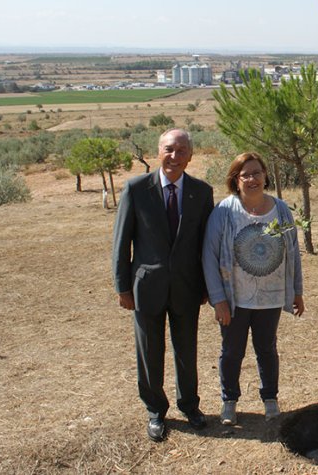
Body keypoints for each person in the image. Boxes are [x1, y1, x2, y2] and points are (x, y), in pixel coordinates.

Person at [112, 128, 214, 442]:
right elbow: (122, 242)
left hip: (187, 287)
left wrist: (210, 287)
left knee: (187, 352)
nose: (174, 156)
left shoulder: (201, 192)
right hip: (146, 288)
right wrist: (123, 287)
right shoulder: (136, 189)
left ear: (190, 156)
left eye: (182, 150)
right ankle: (156, 411)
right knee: (149, 353)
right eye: (169, 149)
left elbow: (206, 245)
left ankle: (189, 406)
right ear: (158, 151)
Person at [202, 152, 304, 426]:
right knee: (232, 351)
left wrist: (296, 291)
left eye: (257, 172)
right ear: (235, 180)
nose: (252, 178)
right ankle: (229, 401)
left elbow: (293, 253)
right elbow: (209, 256)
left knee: (267, 349)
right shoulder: (224, 211)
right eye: (245, 174)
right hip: (235, 300)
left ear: (265, 176)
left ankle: (270, 399)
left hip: (269, 299)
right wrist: (218, 299)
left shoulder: (280, 209)